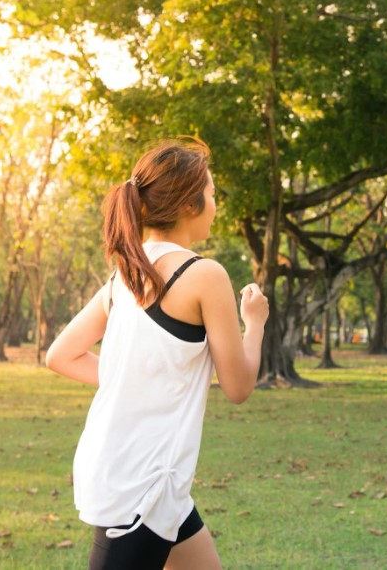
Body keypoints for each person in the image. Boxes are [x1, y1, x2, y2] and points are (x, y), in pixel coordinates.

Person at [46, 137, 269, 570]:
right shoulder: (204, 274)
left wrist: (136, 379)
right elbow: (239, 386)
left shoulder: (124, 275)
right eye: (211, 194)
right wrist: (255, 323)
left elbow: (61, 355)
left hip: (151, 480)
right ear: (189, 204)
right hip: (141, 487)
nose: (215, 204)